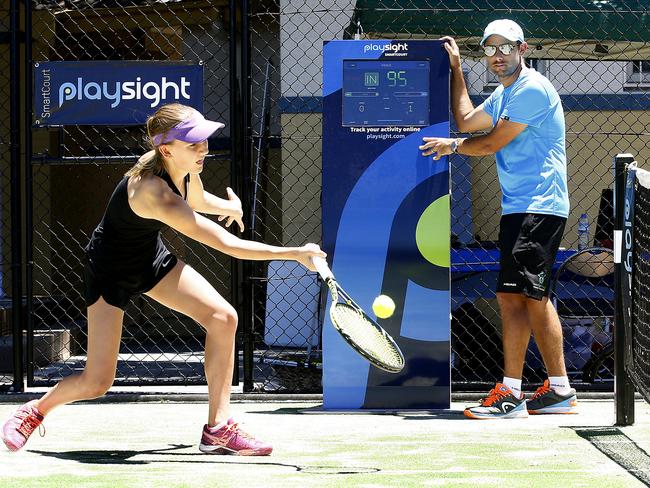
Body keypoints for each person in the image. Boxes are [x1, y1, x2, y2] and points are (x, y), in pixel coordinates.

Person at [1, 103, 326, 453]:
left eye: (203, 140)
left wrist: (227, 208)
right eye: (193, 144)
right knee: (97, 381)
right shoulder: (154, 193)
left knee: (223, 317)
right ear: (166, 148)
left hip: (150, 260)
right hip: (111, 271)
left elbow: (196, 197)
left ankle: (218, 428)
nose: (203, 149)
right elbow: (228, 244)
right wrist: (294, 252)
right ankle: (33, 411)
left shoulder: (181, 165)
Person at [420, 19, 576, 419]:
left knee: (524, 298)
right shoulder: (504, 96)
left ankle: (513, 393)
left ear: (522, 50)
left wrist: (452, 146)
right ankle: (557, 390)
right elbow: (468, 121)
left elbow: (487, 143)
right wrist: (456, 71)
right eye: (490, 49)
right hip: (520, 208)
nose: (498, 55)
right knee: (522, 298)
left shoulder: (532, 90)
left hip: (538, 208)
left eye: (505, 47)